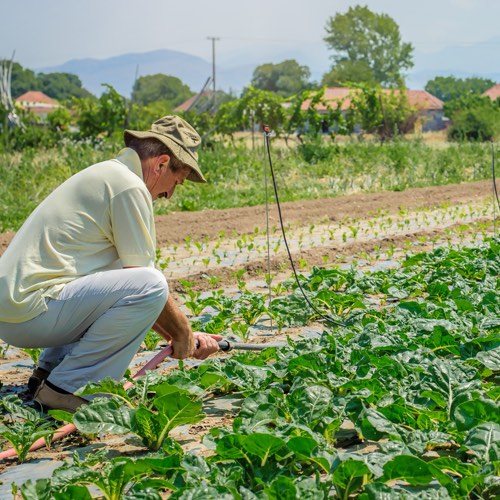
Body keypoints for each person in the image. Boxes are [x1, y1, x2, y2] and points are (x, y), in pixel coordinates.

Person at [0, 115, 222, 412]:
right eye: (176, 182)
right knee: (151, 282)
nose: (170, 194)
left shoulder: (108, 175)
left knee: (115, 271)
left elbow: (126, 287)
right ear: (161, 164)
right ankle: (68, 389)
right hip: (31, 312)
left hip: (16, 311)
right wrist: (182, 334)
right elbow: (145, 288)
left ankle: (51, 373)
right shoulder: (128, 186)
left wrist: (183, 335)